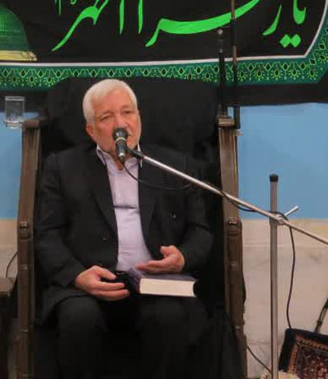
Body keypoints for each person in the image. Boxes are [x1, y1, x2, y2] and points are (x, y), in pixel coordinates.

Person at [35, 79, 212, 379]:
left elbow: (200, 231)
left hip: (155, 284)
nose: (121, 124)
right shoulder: (62, 168)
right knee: (78, 319)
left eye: (127, 112)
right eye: (107, 117)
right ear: (91, 130)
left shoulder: (175, 166)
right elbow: (47, 235)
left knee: (170, 318)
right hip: (88, 284)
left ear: (138, 118)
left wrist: (182, 257)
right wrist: (77, 275)